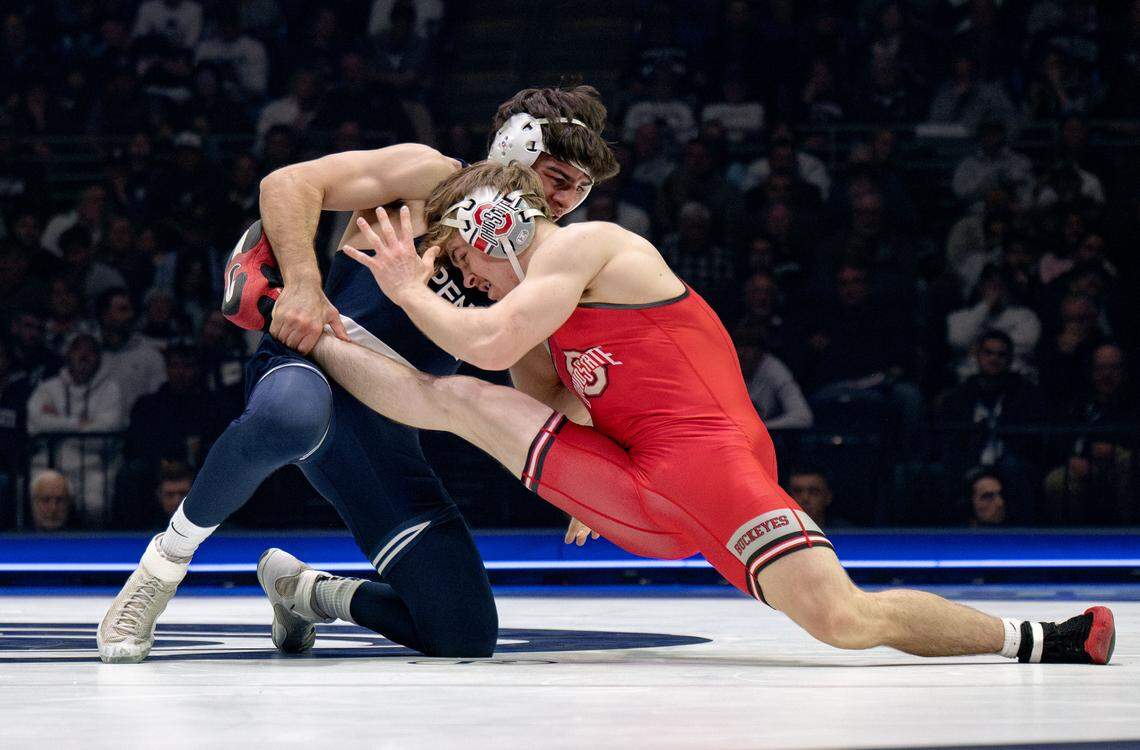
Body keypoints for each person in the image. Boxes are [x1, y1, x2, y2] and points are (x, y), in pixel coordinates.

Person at [304, 160, 1113, 665]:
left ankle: (1040, 639)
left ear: (498, 226)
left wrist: (409, 287)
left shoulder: (582, 250)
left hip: (708, 468)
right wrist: (581, 460)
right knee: (454, 403)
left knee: (842, 619)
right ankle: (300, 327)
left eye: (467, 257)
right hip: (641, 481)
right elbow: (537, 388)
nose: (468, 280)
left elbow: (485, 340)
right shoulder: (540, 300)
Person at [97, 86, 620, 664]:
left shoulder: (537, 264)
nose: (566, 200)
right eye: (556, 177)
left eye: (581, 188)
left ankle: (306, 592)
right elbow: (288, 183)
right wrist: (302, 282)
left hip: (387, 430)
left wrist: (583, 481)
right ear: (513, 150)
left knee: (464, 633)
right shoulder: (430, 176)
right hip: (310, 364)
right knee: (292, 415)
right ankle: (160, 569)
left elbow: (546, 386)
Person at [26, 333, 124, 527]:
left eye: (90, 352)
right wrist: (81, 424)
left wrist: (57, 424)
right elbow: (35, 424)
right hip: (48, 465)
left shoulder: (111, 389)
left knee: (96, 506)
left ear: (99, 357)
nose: (84, 356)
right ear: (68, 354)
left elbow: (109, 428)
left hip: (93, 468)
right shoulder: (48, 388)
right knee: (39, 502)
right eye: (79, 351)